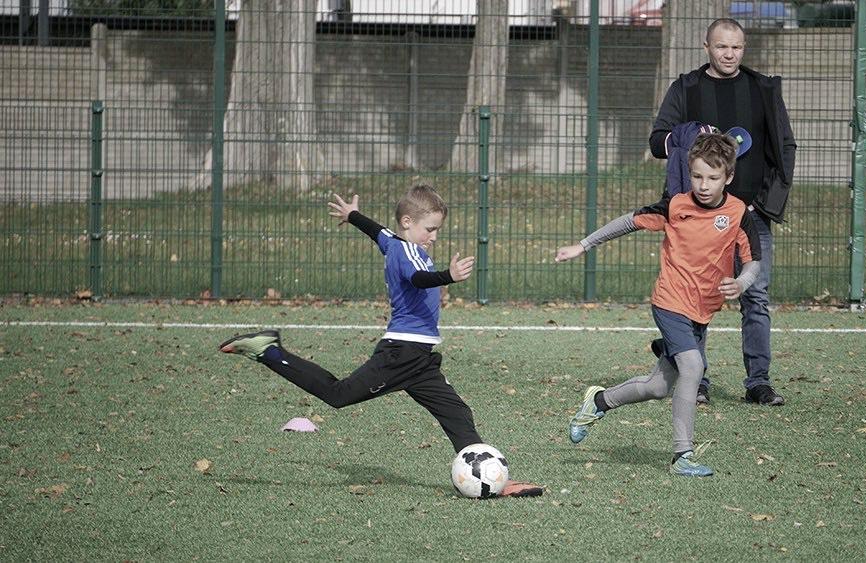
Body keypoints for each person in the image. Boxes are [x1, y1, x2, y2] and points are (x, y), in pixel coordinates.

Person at [219, 185, 542, 497]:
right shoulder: (410, 253)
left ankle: (491, 478)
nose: (434, 236)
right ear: (408, 223)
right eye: (430, 229)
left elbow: (379, 232)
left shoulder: (395, 242)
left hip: (420, 358)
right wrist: (448, 276)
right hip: (401, 354)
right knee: (338, 394)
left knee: (456, 413)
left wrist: (354, 215)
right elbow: (419, 279)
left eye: (437, 230)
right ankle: (269, 351)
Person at [556, 133, 761, 477]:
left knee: (659, 386)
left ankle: (599, 401)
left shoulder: (739, 214)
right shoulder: (675, 206)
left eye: (712, 178)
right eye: (696, 176)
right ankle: (682, 455)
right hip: (670, 301)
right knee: (694, 368)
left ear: (728, 177)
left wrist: (741, 282)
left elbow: (753, 261)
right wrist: (583, 245)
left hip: (702, 311)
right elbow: (628, 221)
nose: (703, 185)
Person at [649, 18, 796, 406]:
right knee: (695, 298)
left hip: (750, 217)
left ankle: (758, 383)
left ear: (743, 48)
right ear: (706, 47)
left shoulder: (762, 89)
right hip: (699, 223)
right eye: (721, 47)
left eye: (736, 47)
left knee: (756, 297)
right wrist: (687, 134)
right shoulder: (687, 88)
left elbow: (784, 147)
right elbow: (657, 142)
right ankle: (697, 381)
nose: (729, 54)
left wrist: (763, 204)